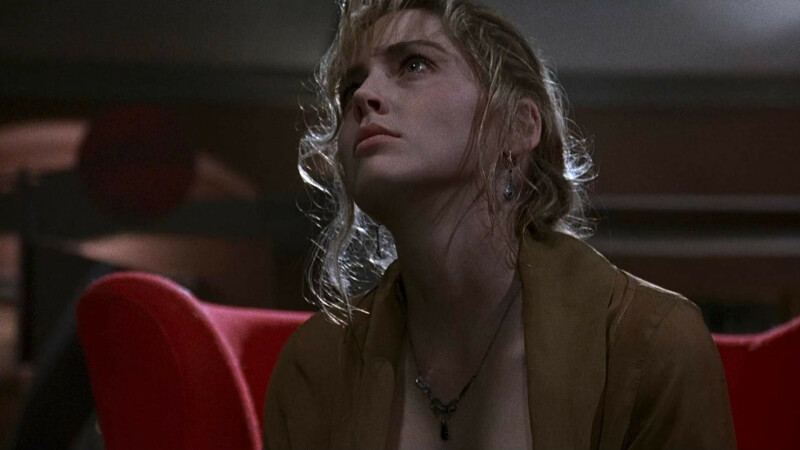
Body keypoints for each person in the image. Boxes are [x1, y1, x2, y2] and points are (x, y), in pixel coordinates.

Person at [264, 0, 736, 448]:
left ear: (516, 125)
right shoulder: (313, 371)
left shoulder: (648, 347)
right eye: (350, 87)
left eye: (413, 64)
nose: (364, 96)